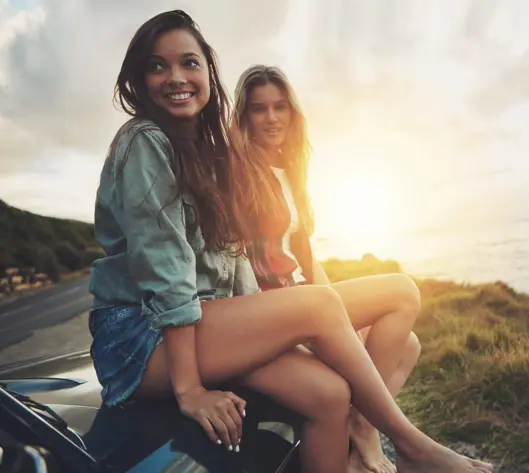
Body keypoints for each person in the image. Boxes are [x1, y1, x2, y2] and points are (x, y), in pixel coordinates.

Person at [88, 9, 493, 473]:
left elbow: (231, 263)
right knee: (317, 304)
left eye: (189, 63)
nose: (175, 77)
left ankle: (362, 440)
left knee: (329, 394)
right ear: (138, 80)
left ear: (208, 71)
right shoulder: (145, 141)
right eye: (157, 66)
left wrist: (268, 330)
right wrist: (191, 391)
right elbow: (166, 268)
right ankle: (414, 447)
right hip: (140, 338)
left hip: (200, 325)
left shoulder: (202, 153)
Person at [233, 64, 422, 473]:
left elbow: (305, 255)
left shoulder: (293, 171)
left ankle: (358, 433)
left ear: (292, 112)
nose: (270, 118)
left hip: (306, 296)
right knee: (402, 290)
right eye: (258, 109)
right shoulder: (239, 172)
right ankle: (366, 429)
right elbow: (243, 257)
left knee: (407, 345)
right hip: (275, 307)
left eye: (279, 107)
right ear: (244, 117)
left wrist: (340, 314)